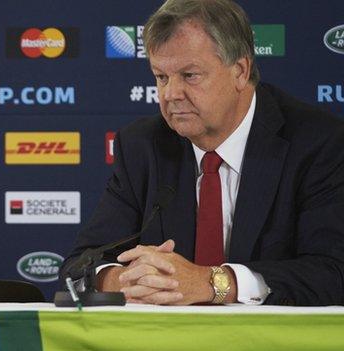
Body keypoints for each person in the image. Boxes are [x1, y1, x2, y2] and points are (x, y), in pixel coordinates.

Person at [62, 0, 344, 306]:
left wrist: (215, 283)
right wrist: (124, 280)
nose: (171, 94)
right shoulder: (142, 146)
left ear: (240, 70)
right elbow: (77, 268)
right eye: (161, 77)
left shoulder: (318, 142)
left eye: (189, 75)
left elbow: (332, 272)